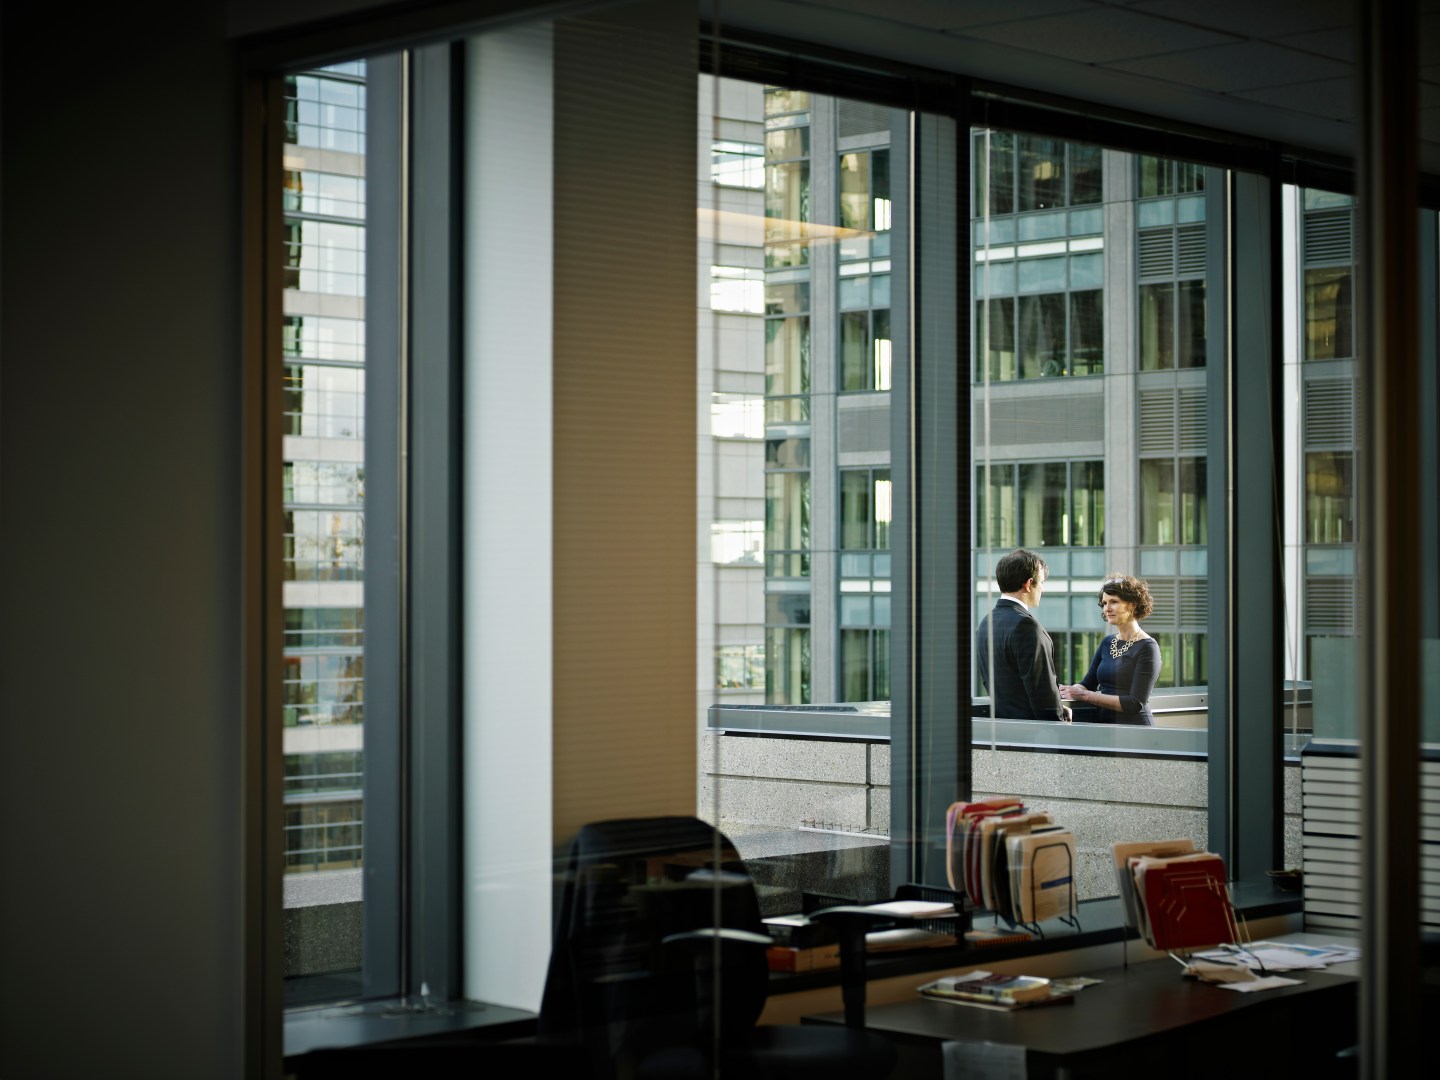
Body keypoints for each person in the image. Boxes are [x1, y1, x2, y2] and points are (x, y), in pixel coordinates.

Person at [976, 549, 1071, 722]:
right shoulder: (1026, 626)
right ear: (1028, 584)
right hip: (1033, 731)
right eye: (1042, 582)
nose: (1042, 589)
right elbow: (1042, 690)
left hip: (1004, 727)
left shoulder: (986, 622)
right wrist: (1059, 723)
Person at [1061, 575, 1161, 726]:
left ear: (1132, 605)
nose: (1107, 608)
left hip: (1136, 729)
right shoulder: (1107, 642)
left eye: (1114, 602)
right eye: (1104, 603)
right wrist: (1062, 694)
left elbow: (1134, 703)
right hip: (1105, 727)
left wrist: (1085, 696)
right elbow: (1087, 684)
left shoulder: (1148, 647)